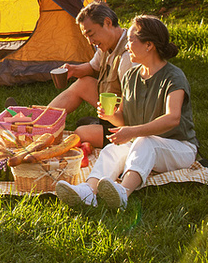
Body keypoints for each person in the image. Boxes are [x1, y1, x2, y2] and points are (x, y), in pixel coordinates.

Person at [54, 15, 198, 211]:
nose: (127, 45)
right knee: (114, 147)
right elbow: (124, 119)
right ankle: (88, 190)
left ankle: (123, 192)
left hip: (179, 146)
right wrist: (110, 116)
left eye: (131, 40)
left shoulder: (173, 76)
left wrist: (133, 132)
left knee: (143, 141)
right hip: (144, 142)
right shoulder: (131, 75)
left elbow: (173, 118)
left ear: (149, 45)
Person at [51, 2, 133, 148]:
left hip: (127, 122)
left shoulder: (128, 56)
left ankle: (99, 126)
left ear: (107, 22)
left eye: (91, 34)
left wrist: (113, 119)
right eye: (86, 36)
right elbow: (92, 67)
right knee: (84, 83)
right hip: (110, 109)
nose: (91, 41)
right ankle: (41, 123)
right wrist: (73, 70)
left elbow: (135, 106)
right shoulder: (106, 45)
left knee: (80, 133)